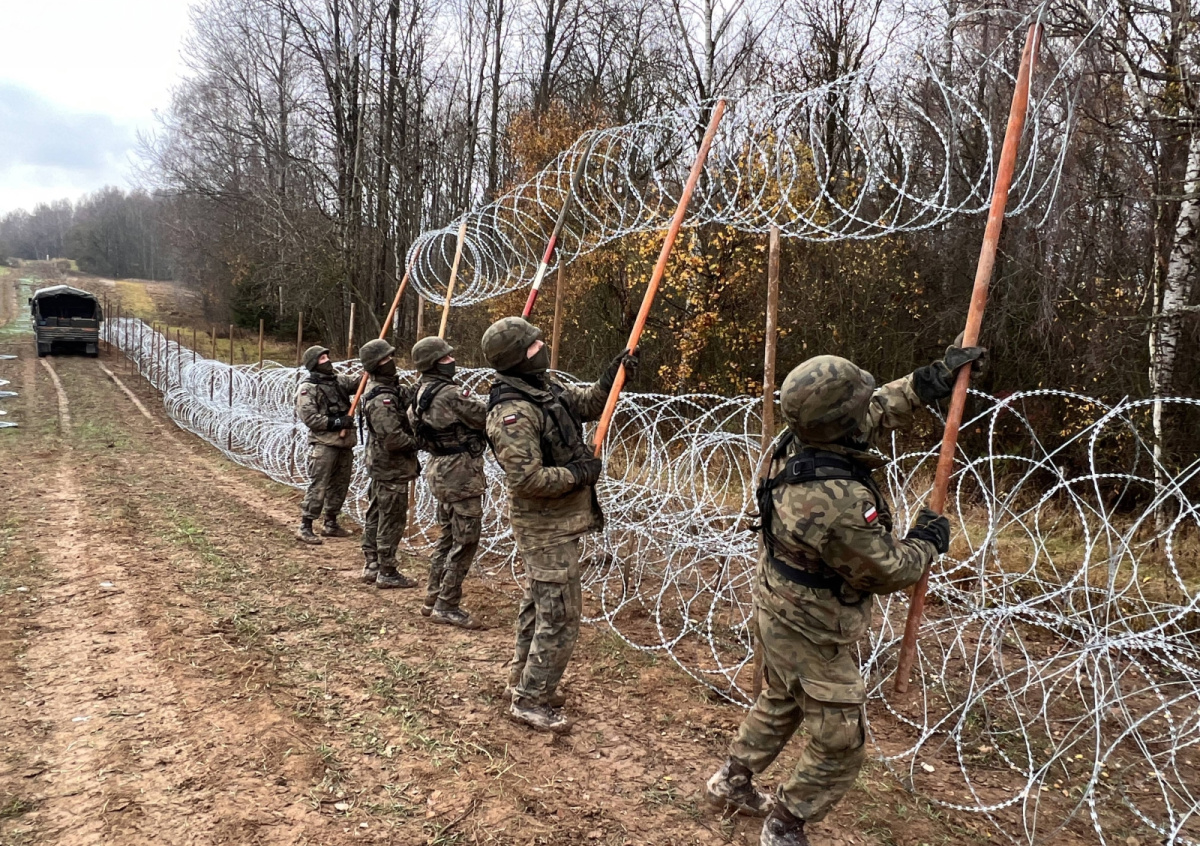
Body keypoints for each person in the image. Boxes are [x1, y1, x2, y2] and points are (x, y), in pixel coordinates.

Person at [705, 346, 985, 846]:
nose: (867, 410)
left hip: (777, 603)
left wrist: (932, 380)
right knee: (840, 742)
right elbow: (887, 570)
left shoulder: (798, 438)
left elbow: (873, 409)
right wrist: (926, 541)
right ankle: (785, 822)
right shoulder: (835, 503)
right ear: (840, 422)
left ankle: (733, 780)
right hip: (811, 626)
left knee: (781, 699)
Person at [482, 316, 638, 733]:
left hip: (560, 521)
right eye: (533, 346)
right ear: (517, 358)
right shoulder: (513, 413)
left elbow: (585, 404)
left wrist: (611, 378)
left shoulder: (541, 389)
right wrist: (577, 474)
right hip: (544, 527)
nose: (542, 349)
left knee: (540, 606)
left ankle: (522, 682)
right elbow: (527, 479)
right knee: (561, 615)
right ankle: (531, 699)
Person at [407, 336, 488, 627]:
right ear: (433, 364)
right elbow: (484, 415)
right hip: (460, 473)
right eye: (445, 358)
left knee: (448, 536)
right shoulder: (451, 394)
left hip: (440, 469)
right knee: (466, 539)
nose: (452, 361)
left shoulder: (419, 393)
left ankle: (433, 595)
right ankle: (447, 603)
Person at [357, 339, 421, 588]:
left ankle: (372, 563)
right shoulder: (381, 398)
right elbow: (393, 439)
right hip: (390, 466)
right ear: (376, 365)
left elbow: (403, 398)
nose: (391, 362)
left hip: (382, 465)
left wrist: (422, 383)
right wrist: (419, 442)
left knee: (377, 511)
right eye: (385, 359)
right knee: (391, 517)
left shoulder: (386, 389)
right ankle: (387, 570)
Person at [295, 345, 359, 544]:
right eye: (322, 358)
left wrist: (371, 367)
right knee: (319, 486)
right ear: (314, 364)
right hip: (324, 444)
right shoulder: (308, 388)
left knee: (340, 485)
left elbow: (359, 383)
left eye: (327, 357)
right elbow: (310, 418)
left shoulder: (339, 381)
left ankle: (331, 523)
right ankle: (305, 526)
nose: (327, 361)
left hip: (345, 443)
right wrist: (337, 422)